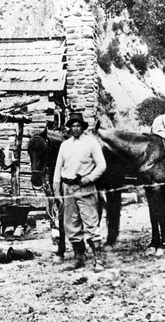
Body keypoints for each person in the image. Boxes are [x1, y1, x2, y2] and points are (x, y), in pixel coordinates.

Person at [52, 112, 107, 271]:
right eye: (73, 126)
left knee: (91, 223)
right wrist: (57, 190)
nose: (75, 128)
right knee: (71, 224)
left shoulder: (91, 143)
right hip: (67, 187)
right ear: (69, 128)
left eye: (78, 125)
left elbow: (101, 165)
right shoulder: (65, 145)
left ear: (83, 127)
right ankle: (79, 257)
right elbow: (58, 169)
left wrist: (89, 179)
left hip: (85, 186)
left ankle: (98, 259)